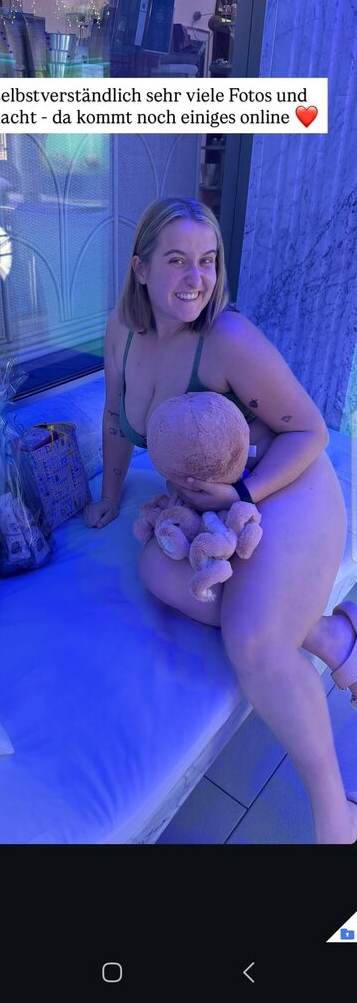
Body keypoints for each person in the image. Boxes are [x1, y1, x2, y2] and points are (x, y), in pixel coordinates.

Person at [84, 196, 357, 845]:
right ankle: (329, 635)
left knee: (255, 642)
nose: (196, 278)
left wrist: (243, 488)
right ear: (140, 268)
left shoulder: (227, 339)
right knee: (156, 570)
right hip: (215, 508)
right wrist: (111, 493)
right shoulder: (122, 332)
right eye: (177, 260)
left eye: (207, 261)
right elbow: (115, 417)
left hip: (284, 485)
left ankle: (336, 817)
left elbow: (311, 432)